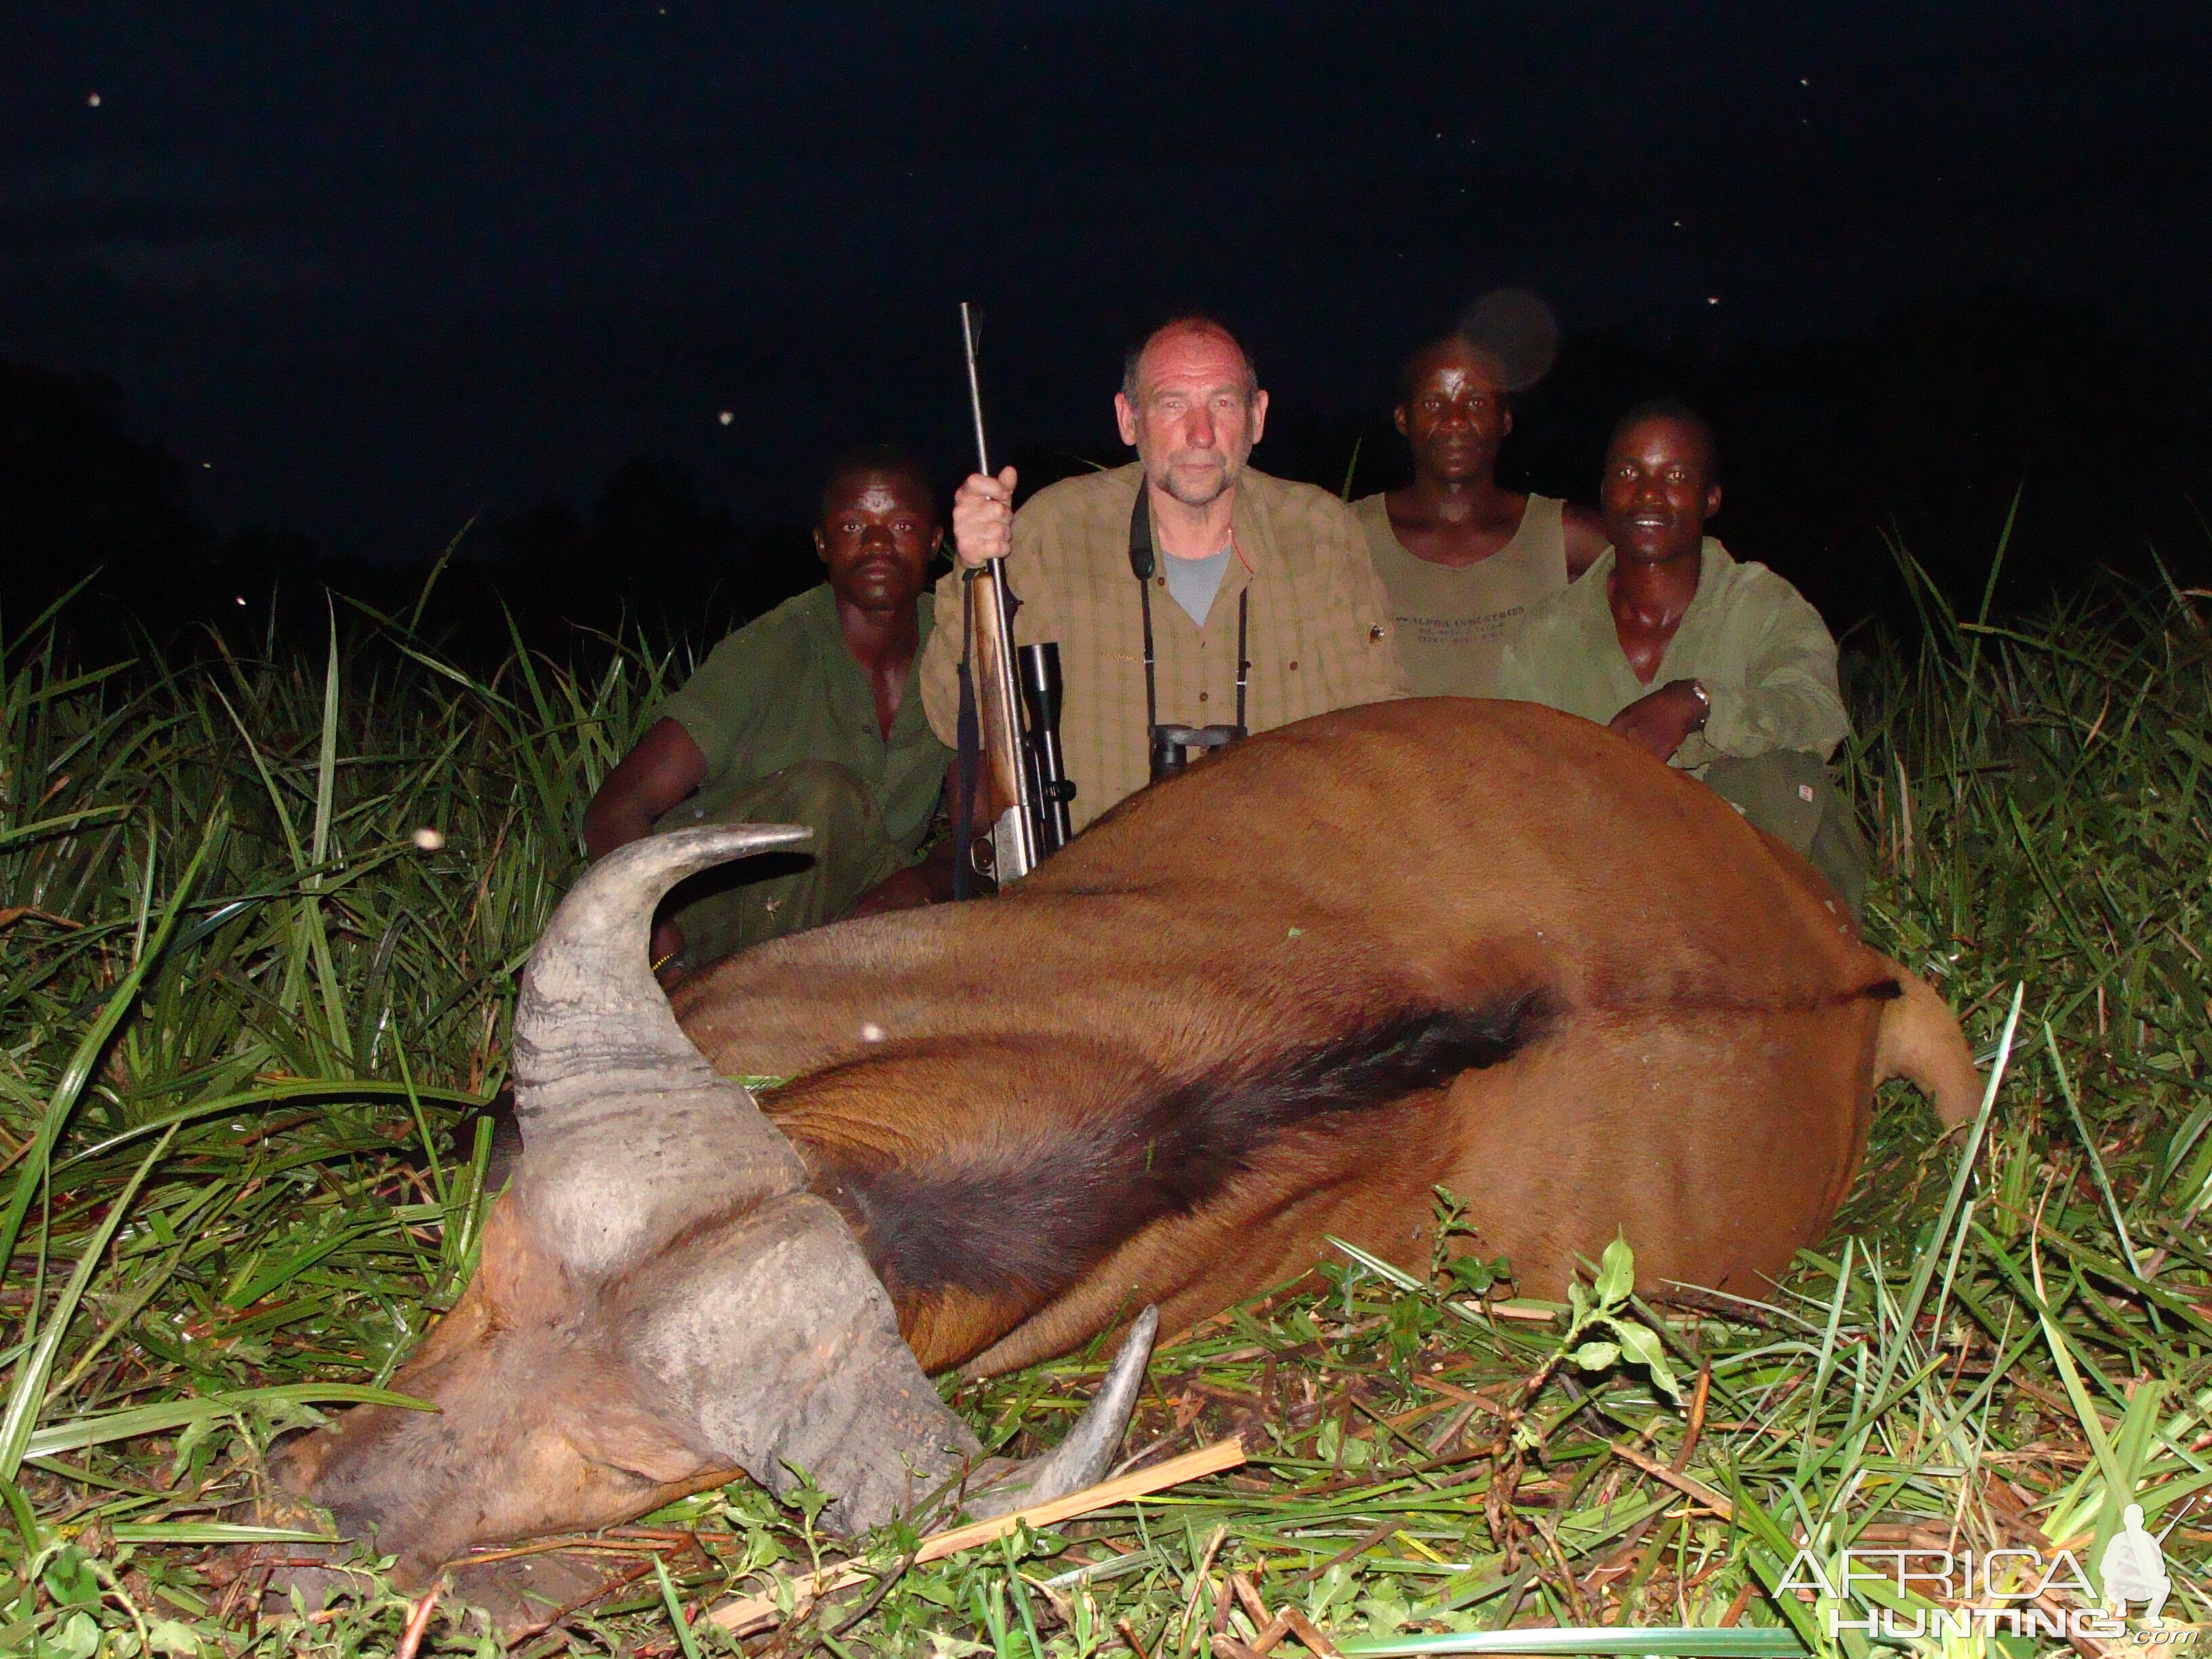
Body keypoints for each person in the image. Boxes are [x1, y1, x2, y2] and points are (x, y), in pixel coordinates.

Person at [920, 316, 1408, 833]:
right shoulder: (1051, 532)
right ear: (1128, 419)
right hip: (1102, 892)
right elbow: (957, 722)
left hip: (1280, 886)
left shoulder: (1323, 535)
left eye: (1222, 402)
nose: (1201, 434)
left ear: (1257, 416)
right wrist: (974, 569)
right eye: (1172, 403)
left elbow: (1378, 733)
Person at [581, 447, 954, 972]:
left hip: (850, 907)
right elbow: (615, 810)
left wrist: (921, 884)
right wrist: (663, 955)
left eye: (901, 524)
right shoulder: (773, 649)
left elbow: (977, 835)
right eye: (852, 525)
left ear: (935, 542)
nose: (877, 544)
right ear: (822, 545)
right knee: (827, 799)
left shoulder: (959, 644)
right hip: (707, 915)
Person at [1494, 399, 1869, 914]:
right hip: (1613, 887)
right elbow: (1517, 784)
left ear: (1710, 498)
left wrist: (1698, 703)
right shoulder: (1542, 638)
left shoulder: (1759, 603)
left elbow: (1818, 712)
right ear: (1604, 493)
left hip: (1760, 884)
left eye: (1675, 475)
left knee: (1775, 772)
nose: (1648, 494)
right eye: (1629, 472)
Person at [1351, 334, 1607, 697]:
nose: (1454, 419)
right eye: (1432, 402)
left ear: (1504, 420)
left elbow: (1685, 575)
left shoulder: (1563, 535)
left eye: (1475, 401)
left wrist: (1695, 696)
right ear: (1403, 419)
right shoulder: (1349, 535)